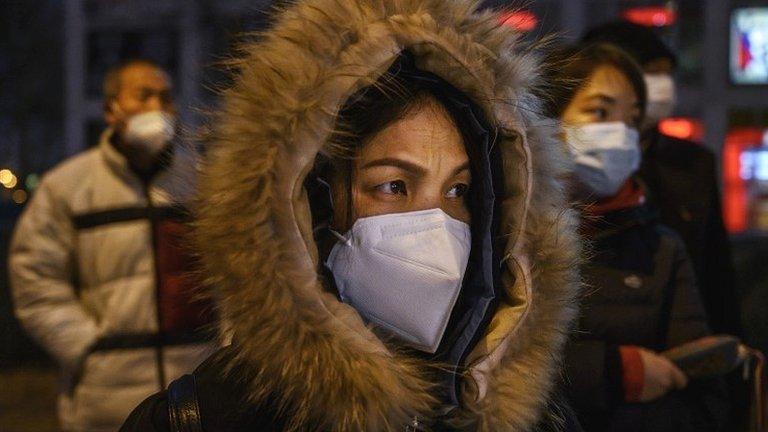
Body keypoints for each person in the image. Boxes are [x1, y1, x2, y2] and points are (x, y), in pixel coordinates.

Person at [120, 0, 586, 430]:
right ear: (309, 206)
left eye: (458, 190)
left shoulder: (537, 419)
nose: (435, 222)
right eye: (393, 186)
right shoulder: (203, 417)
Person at [9, 59, 217, 431]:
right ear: (111, 109)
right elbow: (35, 276)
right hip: (107, 402)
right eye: (144, 95)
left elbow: (236, 276)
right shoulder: (69, 187)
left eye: (166, 97)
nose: (158, 107)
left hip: (197, 397)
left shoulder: (203, 182)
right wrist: (86, 349)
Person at [543, 43, 729, 432]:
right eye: (599, 111)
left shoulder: (660, 248)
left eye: (632, 120)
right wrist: (616, 371)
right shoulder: (506, 238)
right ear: (547, 117)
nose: (621, 135)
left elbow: (702, 395)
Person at [582, 21, 741, 337]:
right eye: (650, 71)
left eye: (666, 73)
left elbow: (715, 268)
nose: (662, 85)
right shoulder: (574, 164)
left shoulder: (694, 162)